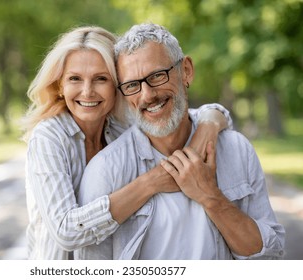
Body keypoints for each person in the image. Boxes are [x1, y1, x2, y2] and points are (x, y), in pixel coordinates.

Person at [75, 23, 285, 260]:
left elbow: (270, 260)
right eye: (132, 85)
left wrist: (210, 196)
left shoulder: (236, 149)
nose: (147, 95)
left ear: (186, 71)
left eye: (157, 76)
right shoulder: (106, 171)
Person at [22, 25, 233, 260]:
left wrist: (208, 127)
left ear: (118, 86)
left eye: (101, 79)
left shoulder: (120, 128)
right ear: (60, 85)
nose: (87, 91)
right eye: (75, 79)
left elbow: (199, 112)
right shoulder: (49, 137)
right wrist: (151, 182)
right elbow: (66, 231)